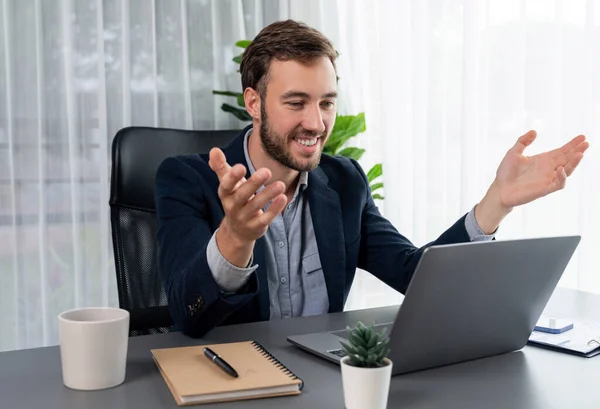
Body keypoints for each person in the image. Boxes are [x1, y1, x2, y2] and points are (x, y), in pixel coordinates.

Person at [155, 19, 589, 337]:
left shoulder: (344, 182)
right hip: (232, 386)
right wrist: (234, 238)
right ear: (254, 102)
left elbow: (414, 275)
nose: (316, 122)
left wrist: (496, 202)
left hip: (325, 383)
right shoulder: (186, 180)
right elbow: (187, 315)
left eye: (326, 102)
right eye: (296, 102)